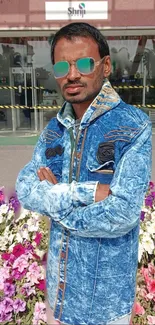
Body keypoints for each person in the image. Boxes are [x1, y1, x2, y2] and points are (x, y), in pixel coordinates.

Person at [16, 22, 152, 325]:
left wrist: (55, 206)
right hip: (60, 297)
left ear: (105, 66)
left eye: (84, 63)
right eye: (63, 65)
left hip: (105, 305)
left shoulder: (133, 127)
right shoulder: (54, 131)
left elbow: (123, 212)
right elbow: (26, 188)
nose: (73, 74)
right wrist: (86, 193)